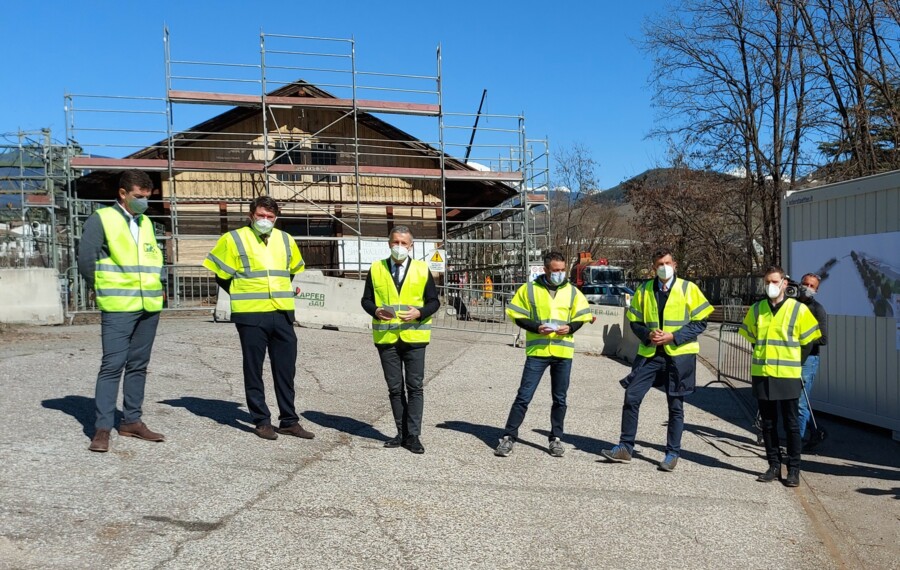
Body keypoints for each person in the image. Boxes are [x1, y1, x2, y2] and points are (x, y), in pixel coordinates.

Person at [202, 196, 314, 441]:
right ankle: (261, 420)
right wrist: (242, 295)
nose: (265, 221)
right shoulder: (233, 239)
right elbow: (221, 277)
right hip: (251, 313)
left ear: (276, 218)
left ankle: (289, 420)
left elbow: (291, 272)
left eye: (270, 217)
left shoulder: (286, 240)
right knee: (254, 368)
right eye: (261, 216)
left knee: (286, 369)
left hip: (282, 312)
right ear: (251, 215)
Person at [601, 247, 713, 471]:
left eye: (667, 263)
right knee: (632, 396)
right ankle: (625, 447)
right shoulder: (644, 289)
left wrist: (674, 336)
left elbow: (701, 322)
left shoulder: (688, 289)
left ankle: (672, 453)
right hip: (650, 354)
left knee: (675, 405)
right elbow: (634, 321)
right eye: (659, 264)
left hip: (679, 356)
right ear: (654, 267)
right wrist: (647, 334)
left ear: (675, 266)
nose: (664, 268)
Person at [78, 170, 166, 452]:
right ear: (123, 193)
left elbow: (153, 258)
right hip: (118, 305)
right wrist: (100, 287)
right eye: (139, 197)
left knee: (138, 365)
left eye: (147, 198)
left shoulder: (147, 223)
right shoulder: (102, 219)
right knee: (112, 366)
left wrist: (159, 286)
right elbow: (86, 261)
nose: (143, 202)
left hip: (149, 305)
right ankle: (102, 428)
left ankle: (131, 421)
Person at [494, 251, 593, 458]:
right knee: (524, 396)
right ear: (546, 270)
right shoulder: (529, 290)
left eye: (562, 270)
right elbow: (515, 314)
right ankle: (508, 437)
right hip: (537, 351)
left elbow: (582, 315)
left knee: (560, 399)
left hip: (562, 352)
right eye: (556, 270)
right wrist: (537, 327)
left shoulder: (572, 291)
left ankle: (556, 438)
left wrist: (571, 327)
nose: (560, 273)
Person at [739, 266, 822, 487]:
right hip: (763, 373)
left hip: (787, 375)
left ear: (785, 283)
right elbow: (752, 338)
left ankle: (793, 469)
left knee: (792, 424)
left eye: (774, 281)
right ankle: (773, 465)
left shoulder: (798, 310)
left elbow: (810, 341)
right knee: (768, 424)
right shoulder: (757, 309)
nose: (770, 286)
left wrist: (794, 362)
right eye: (767, 282)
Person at [360, 225, 440, 454]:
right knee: (395, 388)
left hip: (414, 337)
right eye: (396, 242)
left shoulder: (422, 269)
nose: (399, 247)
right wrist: (375, 311)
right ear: (389, 244)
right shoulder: (376, 269)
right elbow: (366, 300)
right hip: (386, 337)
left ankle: (413, 435)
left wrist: (419, 312)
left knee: (414, 387)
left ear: (411, 246)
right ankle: (400, 432)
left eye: (404, 243)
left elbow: (434, 301)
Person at [797, 273, 828, 450]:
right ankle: (816, 431)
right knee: (791, 402)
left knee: (801, 403)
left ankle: (797, 444)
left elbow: (823, 339)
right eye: (805, 284)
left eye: (811, 286)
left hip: (808, 359)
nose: (807, 287)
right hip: (790, 358)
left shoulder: (817, 309)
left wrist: (801, 339)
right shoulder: (791, 304)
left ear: (816, 290)